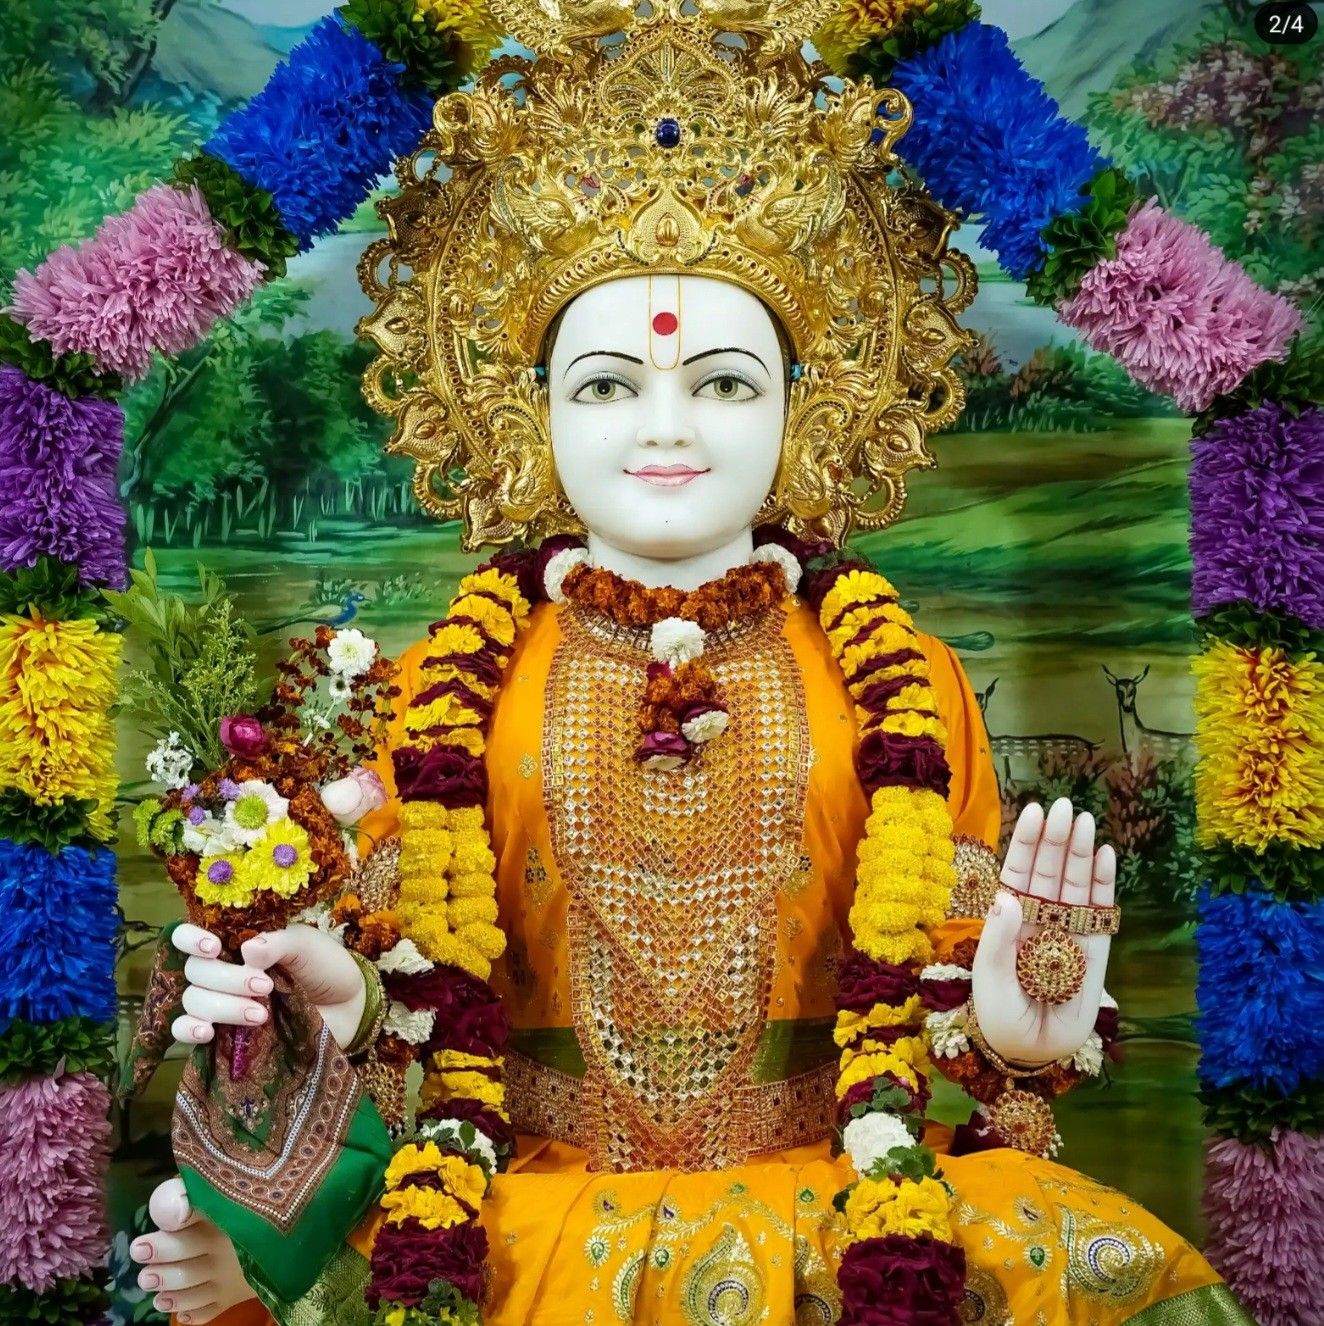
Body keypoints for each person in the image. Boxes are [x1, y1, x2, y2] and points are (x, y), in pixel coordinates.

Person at [129, 5, 1253, 1323]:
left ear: (802, 405)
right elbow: (397, 1012)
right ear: (532, 410)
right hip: (509, 1195)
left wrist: (1015, 1025)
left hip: (843, 1193)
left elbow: (953, 1010)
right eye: (608, 384)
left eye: (722, 381)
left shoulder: (907, 682)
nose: (665, 424)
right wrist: (332, 987)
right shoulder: (437, 689)